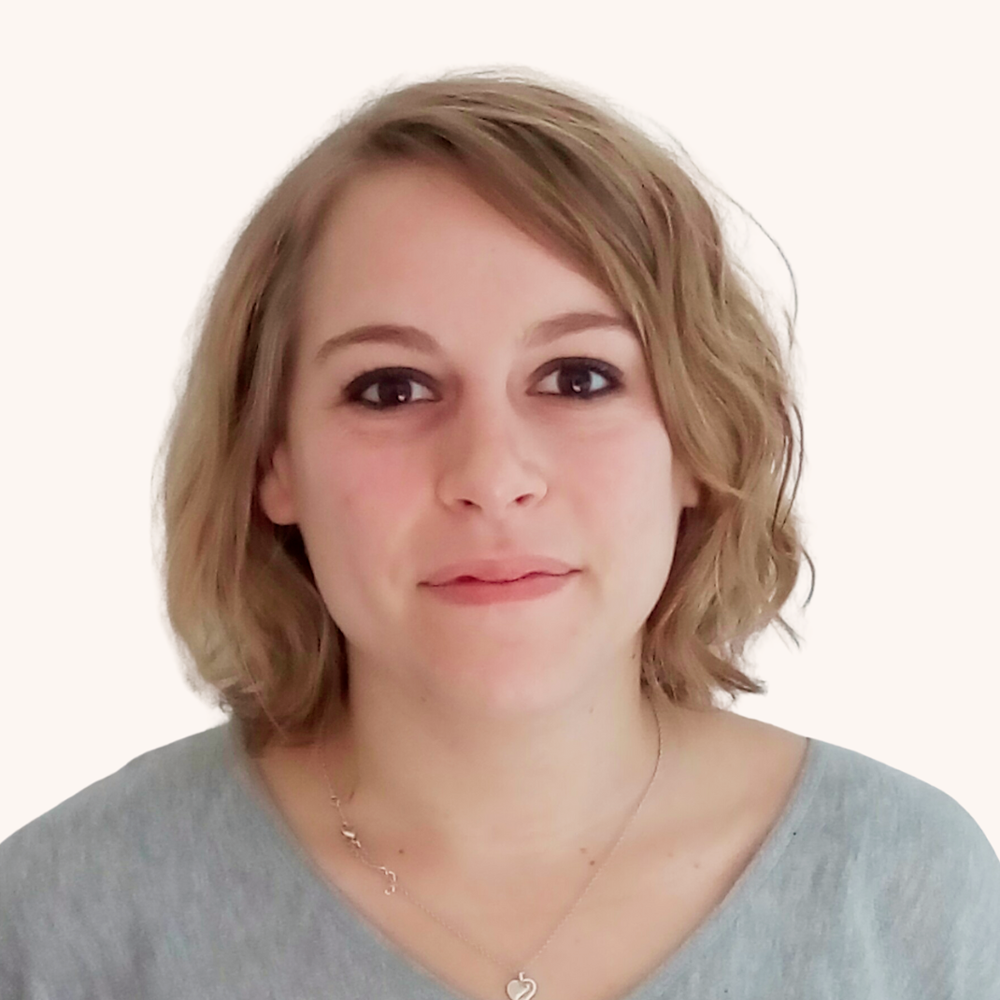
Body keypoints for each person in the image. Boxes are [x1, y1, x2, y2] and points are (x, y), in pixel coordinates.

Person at [1, 67, 997, 1000]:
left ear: (698, 439)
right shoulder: (67, 918)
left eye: (578, 378)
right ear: (275, 462)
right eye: (390, 388)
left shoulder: (905, 887)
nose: (490, 475)